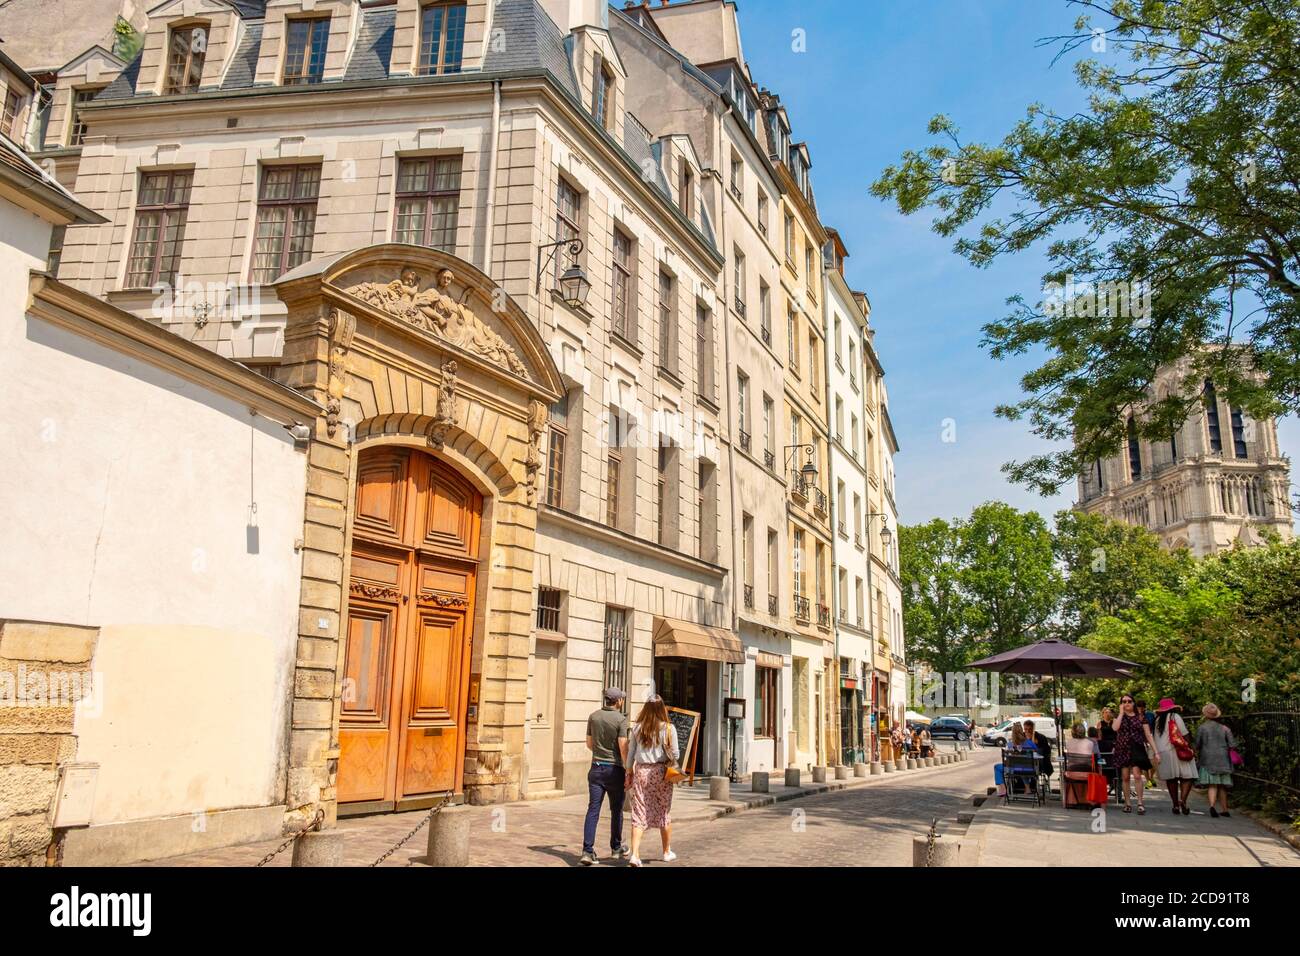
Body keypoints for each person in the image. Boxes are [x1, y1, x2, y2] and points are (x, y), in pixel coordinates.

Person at [624, 695, 679, 867]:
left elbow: (631, 753)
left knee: (639, 811)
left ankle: (635, 854)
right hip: (661, 772)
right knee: (663, 810)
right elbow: (676, 754)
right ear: (662, 708)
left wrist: (629, 773)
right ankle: (666, 851)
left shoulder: (637, 728)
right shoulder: (669, 728)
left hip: (641, 771)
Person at [580, 687, 629, 865]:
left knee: (593, 810)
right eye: (621, 699)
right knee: (616, 810)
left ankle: (587, 851)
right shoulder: (621, 720)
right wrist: (628, 768)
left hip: (596, 768)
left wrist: (600, 752)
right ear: (617, 701)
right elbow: (623, 746)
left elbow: (589, 743)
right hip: (614, 769)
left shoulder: (593, 716)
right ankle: (616, 848)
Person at [1112, 693, 1159, 814]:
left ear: (1133, 703)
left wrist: (1156, 751)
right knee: (1125, 777)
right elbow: (1115, 728)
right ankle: (1128, 803)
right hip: (1122, 749)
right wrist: (1121, 713)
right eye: (1124, 701)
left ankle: (1140, 802)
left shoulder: (1140, 717)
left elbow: (1148, 735)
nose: (1126, 703)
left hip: (1137, 748)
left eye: (1129, 701)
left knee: (1138, 775)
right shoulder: (1119, 716)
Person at [1153, 698, 1198, 815]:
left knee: (1171, 779)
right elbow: (1184, 734)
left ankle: (1175, 805)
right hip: (1177, 750)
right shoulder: (1175, 716)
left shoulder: (1157, 720)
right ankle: (1182, 800)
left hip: (1164, 753)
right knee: (1187, 776)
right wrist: (1191, 748)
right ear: (1172, 707)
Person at [1195, 703, 1237, 819]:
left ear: (1206, 715)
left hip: (1208, 759)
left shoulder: (1202, 728)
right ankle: (1225, 809)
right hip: (1223, 760)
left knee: (1212, 785)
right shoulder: (1225, 728)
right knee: (1222, 786)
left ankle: (1212, 806)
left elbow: (1197, 744)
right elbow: (1232, 744)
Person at [1136, 700, 1158, 790]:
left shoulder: (1151, 715)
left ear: (1145, 707)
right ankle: (1148, 780)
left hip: (1151, 740)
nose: (1140, 708)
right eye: (1139, 706)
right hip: (1140, 741)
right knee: (1144, 762)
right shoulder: (1134, 716)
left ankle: (1151, 777)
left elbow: (1155, 727)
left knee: (1153, 762)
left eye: (1142, 706)